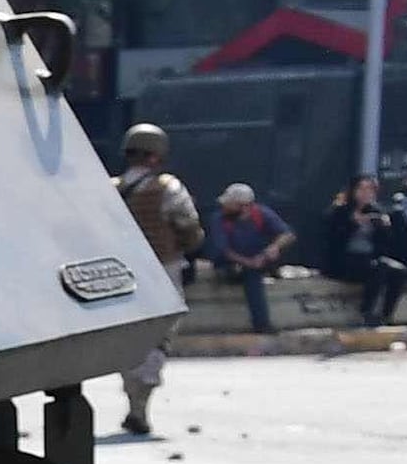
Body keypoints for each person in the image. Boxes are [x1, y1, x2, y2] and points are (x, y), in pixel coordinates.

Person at [110, 122, 203, 433]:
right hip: (162, 269)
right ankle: (140, 406)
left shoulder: (109, 188)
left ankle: (133, 402)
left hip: (119, 271)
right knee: (160, 335)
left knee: (127, 337)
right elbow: (188, 226)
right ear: (157, 154)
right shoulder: (168, 187)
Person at [208, 183, 297, 336]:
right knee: (252, 276)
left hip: (258, 260)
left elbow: (287, 234)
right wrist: (249, 262)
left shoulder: (261, 214)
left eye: (230, 204)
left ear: (244, 206)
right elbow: (224, 250)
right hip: (230, 265)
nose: (225, 207)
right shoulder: (219, 219)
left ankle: (262, 324)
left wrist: (274, 248)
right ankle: (262, 324)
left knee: (254, 273)